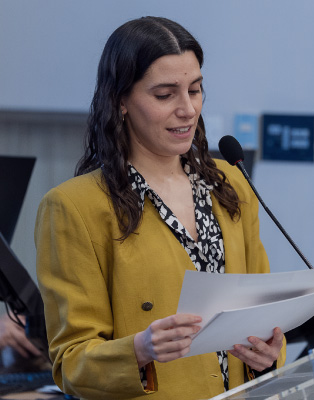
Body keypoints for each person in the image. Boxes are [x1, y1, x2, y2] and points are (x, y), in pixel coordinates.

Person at [35, 16, 286, 399]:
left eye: (195, 90)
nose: (188, 109)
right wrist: (139, 350)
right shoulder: (73, 207)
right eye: (165, 95)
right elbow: (71, 364)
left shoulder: (231, 183)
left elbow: (262, 316)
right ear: (120, 101)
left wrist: (269, 355)